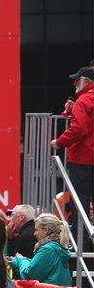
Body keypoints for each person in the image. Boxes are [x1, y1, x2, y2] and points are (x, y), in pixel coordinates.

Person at [51, 66, 93, 234]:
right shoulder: (81, 102)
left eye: (77, 80)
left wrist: (59, 142)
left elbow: (79, 128)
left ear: (86, 82)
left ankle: (81, 238)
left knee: (80, 200)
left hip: (82, 159)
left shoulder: (83, 101)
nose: (74, 83)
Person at [10, 213, 73, 287]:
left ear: (46, 230)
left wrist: (20, 259)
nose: (34, 233)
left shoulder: (48, 249)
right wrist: (20, 260)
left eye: (36, 230)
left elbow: (29, 275)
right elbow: (37, 265)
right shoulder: (57, 247)